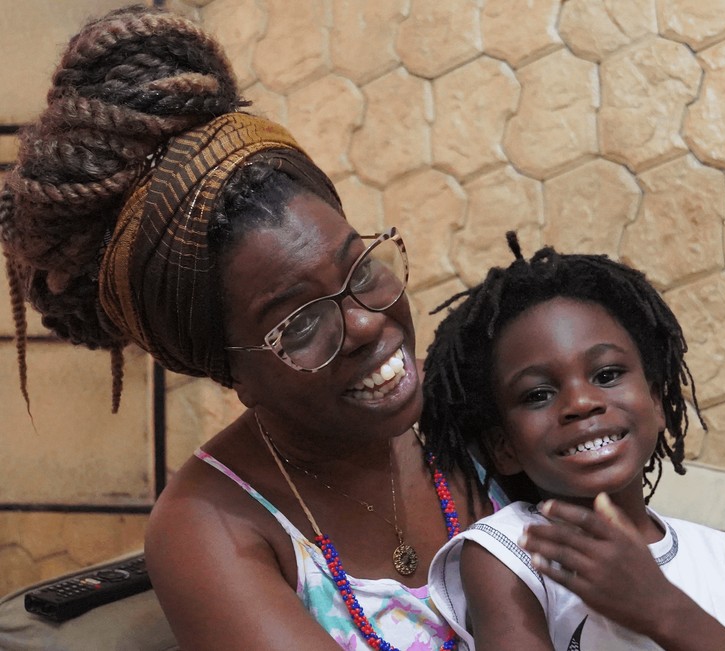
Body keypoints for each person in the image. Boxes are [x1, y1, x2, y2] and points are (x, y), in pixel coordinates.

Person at [1, 6, 490, 650]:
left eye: (361, 268)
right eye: (299, 323)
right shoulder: (211, 526)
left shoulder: (474, 416)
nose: (367, 325)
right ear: (229, 369)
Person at [421, 233, 725, 650]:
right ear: (503, 447)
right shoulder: (507, 553)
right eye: (538, 395)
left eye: (607, 375)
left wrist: (664, 609)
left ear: (656, 402)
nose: (581, 403)